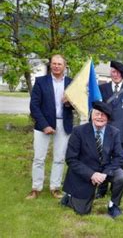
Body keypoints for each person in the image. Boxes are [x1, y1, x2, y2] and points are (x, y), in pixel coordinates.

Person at [60, 102, 123, 218]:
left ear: (108, 118)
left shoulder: (114, 132)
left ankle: (113, 205)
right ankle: (69, 197)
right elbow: (71, 159)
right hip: (84, 172)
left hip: (104, 170)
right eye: (97, 114)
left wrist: (104, 174)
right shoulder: (78, 131)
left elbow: (119, 157)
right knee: (82, 211)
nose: (100, 117)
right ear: (92, 115)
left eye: (103, 115)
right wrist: (91, 175)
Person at [27, 54, 73, 200]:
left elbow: (76, 105)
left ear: (65, 66)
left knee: (59, 158)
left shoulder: (71, 83)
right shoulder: (41, 81)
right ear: (50, 65)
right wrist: (44, 125)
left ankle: (55, 187)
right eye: (54, 63)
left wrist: (69, 103)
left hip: (63, 123)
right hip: (43, 124)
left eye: (59, 64)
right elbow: (34, 106)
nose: (56, 66)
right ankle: (36, 188)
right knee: (39, 158)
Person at [97, 61, 123, 198]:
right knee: (103, 162)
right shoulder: (102, 88)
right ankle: (101, 189)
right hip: (105, 133)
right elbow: (97, 110)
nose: (115, 75)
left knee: (119, 163)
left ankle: (116, 189)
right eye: (113, 72)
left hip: (122, 135)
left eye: (118, 73)